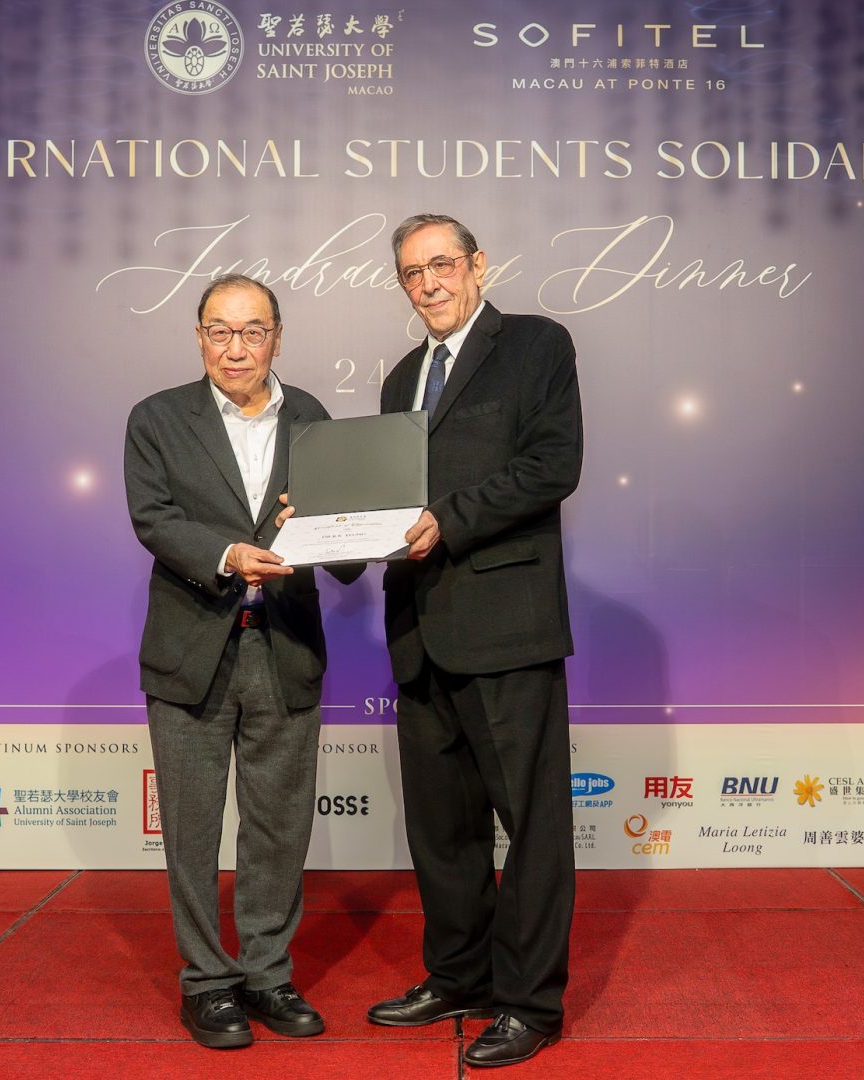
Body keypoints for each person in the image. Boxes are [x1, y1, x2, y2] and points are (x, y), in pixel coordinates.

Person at [367, 214, 583, 1068]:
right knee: (442, 829)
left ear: (477, 265)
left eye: (441, 264)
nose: (427, 283)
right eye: (411, 273)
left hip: (508, 627)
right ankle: (459, 976)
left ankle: (529, 1002)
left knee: (531, 826)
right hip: (419, 631)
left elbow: (552, 464)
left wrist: (447, 520)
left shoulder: (534, 345)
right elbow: (385, 501)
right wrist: (331, 526)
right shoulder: (399, 379)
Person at [124, 274, 360, 1049]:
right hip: (191, 648)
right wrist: (228, 554)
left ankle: (266, 974)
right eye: (220, 331)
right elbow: (153, 518)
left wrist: (336, 526)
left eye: (252, 331)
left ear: (277, 338)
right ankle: (206, 983)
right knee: (191, 829)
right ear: (199, 337)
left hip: (284, 646)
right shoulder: (157, 418)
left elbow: (345, 541)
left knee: (278, 826)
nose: (236, 348)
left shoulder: (313, 420)